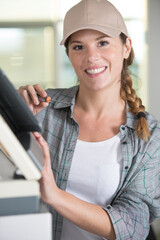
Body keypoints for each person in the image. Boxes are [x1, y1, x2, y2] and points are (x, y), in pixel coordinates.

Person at [18, 0, 160, 239]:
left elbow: (133, 226)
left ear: (126, 47)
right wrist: (14, 122)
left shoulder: (148, 135)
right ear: (69, 55)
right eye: (78, 47)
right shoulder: (42, 108)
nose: (91, 57)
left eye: (103, 43)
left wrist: (55, 195)